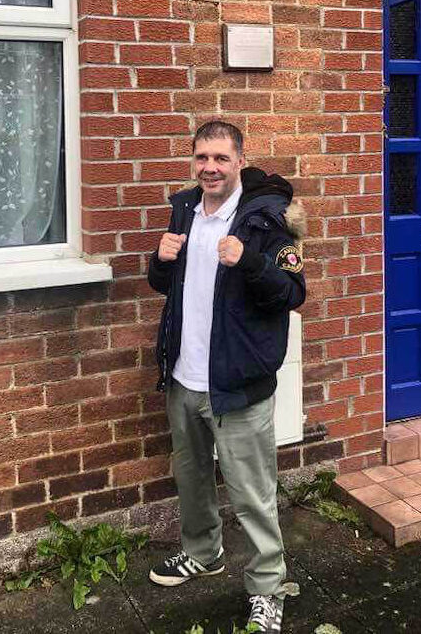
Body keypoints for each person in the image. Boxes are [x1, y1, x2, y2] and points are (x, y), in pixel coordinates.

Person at [146, 120, 306, 633]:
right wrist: (159, 261)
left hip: (238, 382)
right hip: (184, 377)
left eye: (220, 157)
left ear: (240, 160)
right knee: (191, 478)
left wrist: (252, 262)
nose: (210, 167)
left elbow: (292, 293)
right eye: (201, 158)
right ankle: (203, 551)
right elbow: (168, 286)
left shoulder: (266, 220)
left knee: (252, 493)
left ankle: (267, 587)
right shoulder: (185, 211)